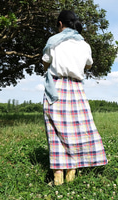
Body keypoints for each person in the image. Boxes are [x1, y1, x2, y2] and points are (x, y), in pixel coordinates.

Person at [42, 10, 108, 186]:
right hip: (76, 89)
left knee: (55, 132)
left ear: (60, 24)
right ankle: (71, 175)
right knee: (75, 131)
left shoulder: (53, 42)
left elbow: (45, 62)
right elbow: (88, 64)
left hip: (57, 87)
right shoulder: (84, 45)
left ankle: (58, 179)